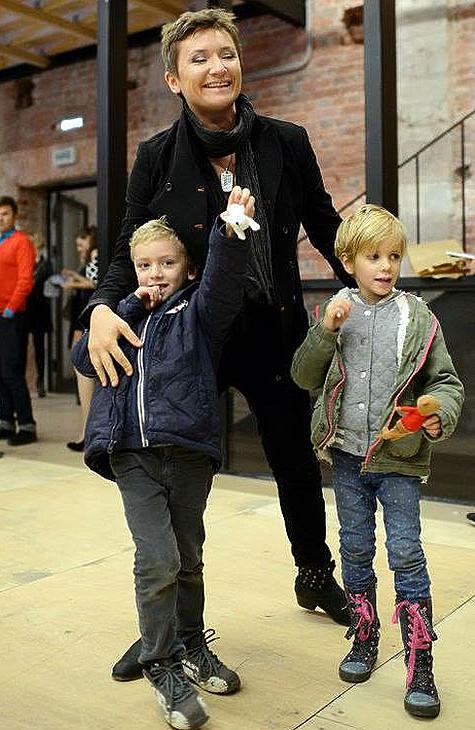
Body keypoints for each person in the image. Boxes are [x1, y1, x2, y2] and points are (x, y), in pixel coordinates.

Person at [84, 8, 355, 680]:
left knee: (294, 462)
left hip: (272, 330)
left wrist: (370, 289)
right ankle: (166, 629)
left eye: (226, 53)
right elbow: (125, 248)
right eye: (198, 58)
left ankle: (314, 574)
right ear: (174, 79)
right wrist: (99, 308)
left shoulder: (285, 141)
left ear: (241, 63)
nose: (216, 67)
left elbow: (326, 225)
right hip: (191, 338)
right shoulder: (156, 157)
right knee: (176, 480)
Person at [72, 186, 254, 730]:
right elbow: (83, 357)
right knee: (158, 560)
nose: (155, 273)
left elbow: (224, 284)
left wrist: (230, 232)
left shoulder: (197, 313)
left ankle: (191, 644)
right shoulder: (120, 319)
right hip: (132, 455)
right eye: (144, 265)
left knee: (189, 557)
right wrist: (122, 307)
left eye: (167, 263)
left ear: (187, 268)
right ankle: (160, 661)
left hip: (189, 453)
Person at [291, 204, 464, 719]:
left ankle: (420, 660)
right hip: (347, 458)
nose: (385, 266)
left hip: (399, 460)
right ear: (348, 261)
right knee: (355, 549)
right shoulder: (334, 312)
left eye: (393, 255)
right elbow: (303, 376)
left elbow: (445, 383)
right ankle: (364, 636)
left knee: (406, 554)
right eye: (373, 257)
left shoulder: (418, 316)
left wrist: (438, 416)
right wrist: (325, 330)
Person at [0, 195, 38, 446]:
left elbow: (26, 280)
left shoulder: (21, 242)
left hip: (12, 316)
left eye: (4, 214)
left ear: (14, 216)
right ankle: (4, 421)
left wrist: (11, 309)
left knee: (12, 371)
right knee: (0, 372)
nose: (0, 218)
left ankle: (26, 425)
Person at [62, 225, 98, 451]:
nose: (78, 248)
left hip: (88, 317)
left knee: (83, 371)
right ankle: (86, 433)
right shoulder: (93, 256)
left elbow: (94, 283)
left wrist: (72, 282)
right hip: (85, 316)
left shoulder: (96, 254)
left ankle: (87, 433)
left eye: (80, 242)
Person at [26, 233, 53, 398]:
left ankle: (40, 381)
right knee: (21, 345)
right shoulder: (26, 261)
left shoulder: (45, 263)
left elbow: (45, 280)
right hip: (25, 307)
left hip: (40, 309)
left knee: (39, 347)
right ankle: (24, 381)